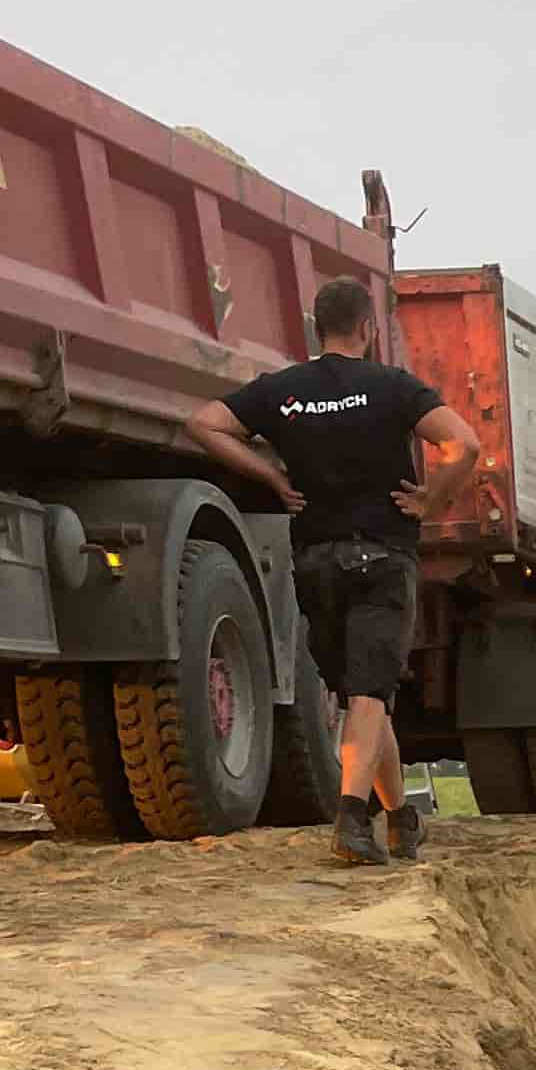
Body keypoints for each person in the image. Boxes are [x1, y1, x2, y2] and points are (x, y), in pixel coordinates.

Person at [183, 278, 481, 865]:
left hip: (314, 561)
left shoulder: (284, 391)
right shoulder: (393, 387)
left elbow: (204, 424)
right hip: (381, 558)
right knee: (369, 694)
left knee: (364, 694)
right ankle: (350, 818)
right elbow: (464, 445)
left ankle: (399, 817)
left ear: (314, 327)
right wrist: (431, 502)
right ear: (369, 330)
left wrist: (269, 476)